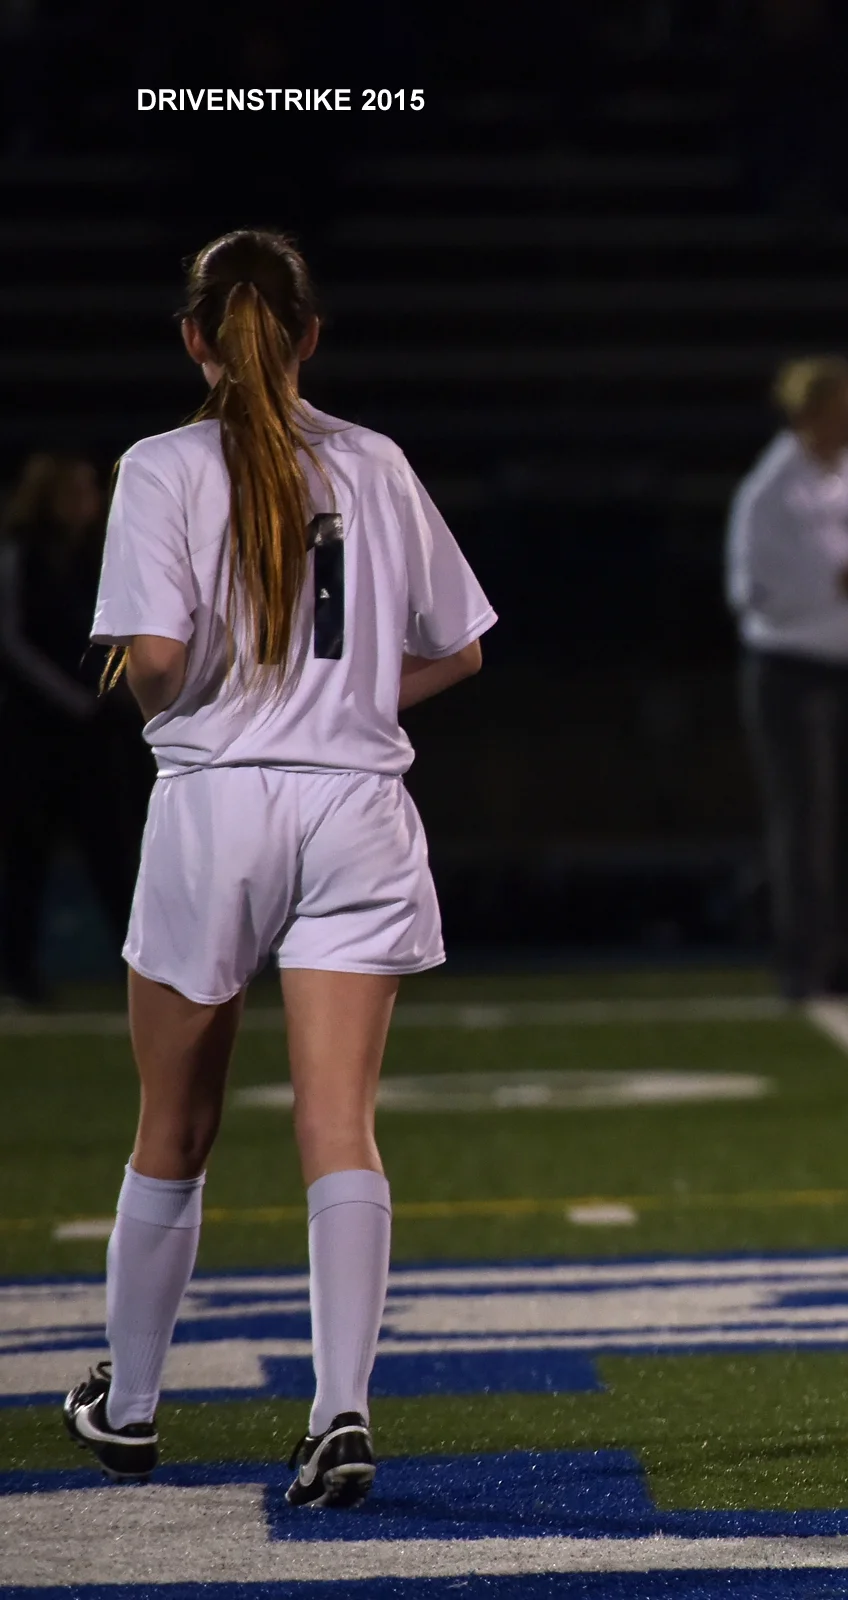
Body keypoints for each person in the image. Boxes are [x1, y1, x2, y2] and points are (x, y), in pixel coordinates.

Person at [59, 230, 493, 1508]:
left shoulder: (162, 466)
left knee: (174, 1125)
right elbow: (461, 646)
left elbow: (152, 660)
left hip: (217, 803)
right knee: (339, 1123)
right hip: (356, 804)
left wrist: (217, 709)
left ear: (194, 337)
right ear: (308, 335)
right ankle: (340, 1410)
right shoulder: (375, 459)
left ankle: (131, 1407)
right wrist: (338, 703)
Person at [727, 356, 848, 999]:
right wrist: (839, 585)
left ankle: (846, 958)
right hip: (794, 675)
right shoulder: (770, 493)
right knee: (805, 822)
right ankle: (803, 962)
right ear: (808, 413)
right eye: (843, 410)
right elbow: (751, 593)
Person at [0, 453, 152, 1004]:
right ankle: (18, 975)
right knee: (27, 856)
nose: (90, 504)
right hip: (33, 734)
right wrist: (74, 699)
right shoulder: (20, 556)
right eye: (78, 492)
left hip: (95, 735)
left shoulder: (99, 558)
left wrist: (114, 698)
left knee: (114, 852)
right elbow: (12, 641)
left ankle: (144, 971)